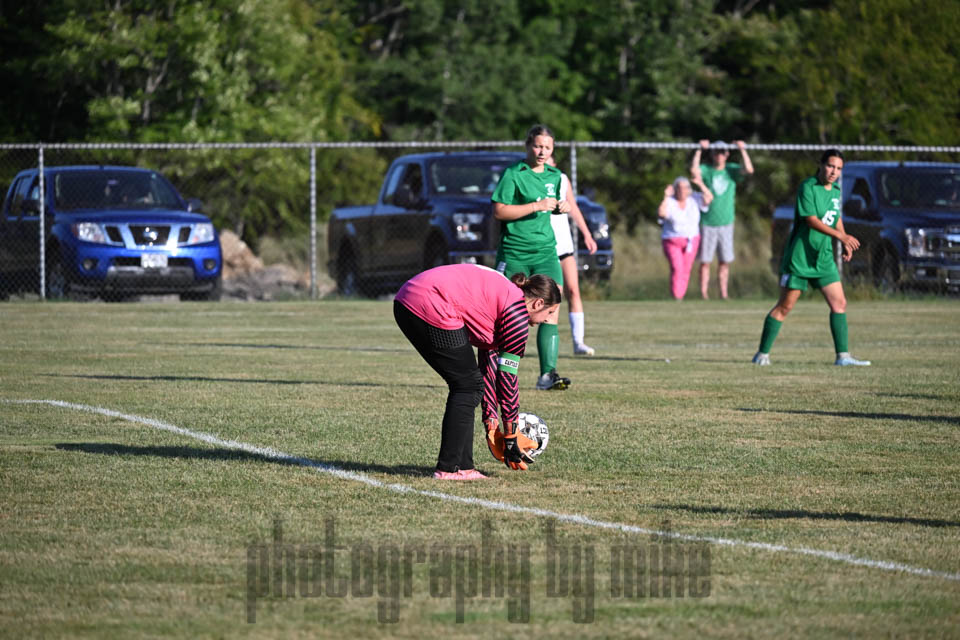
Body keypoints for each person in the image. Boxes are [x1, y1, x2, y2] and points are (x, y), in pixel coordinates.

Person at [394, 264, 562, 479]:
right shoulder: (517, 314)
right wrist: (510, 437)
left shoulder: (505, 297)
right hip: (430, 301)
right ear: (538, 303)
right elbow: (507, 380)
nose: (548, 319)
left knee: (468, 384)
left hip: (407, 298)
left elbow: (488, 369)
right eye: (549, 312)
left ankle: (463, 467)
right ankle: (449, 468)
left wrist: (491, 423)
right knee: (467, 386)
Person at [752, 148, 871, 367]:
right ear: (821, 165)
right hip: (800, 257)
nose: (833, 171)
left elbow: (835, 217)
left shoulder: (835, 191)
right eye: (830, 166)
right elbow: (811, 220)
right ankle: (762, 354)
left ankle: (843, 357)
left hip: (823, 257)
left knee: (839, 303)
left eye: (838, 168)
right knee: (785, 307)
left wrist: (844, 239)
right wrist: (841, 237)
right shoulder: (807, 187)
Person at [491, 124, 572, 391]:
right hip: (515, 251)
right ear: (528, 145)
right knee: (508, 313)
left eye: (547, 147)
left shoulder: (555, 176)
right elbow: (500, 212)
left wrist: (564, 207)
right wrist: (536, 205)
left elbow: (560, 207)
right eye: (538, 146)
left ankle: (547, 375)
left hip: (545, 252)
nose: (542, 151)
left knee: (551, 308)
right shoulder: (514, 174)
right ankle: (495, 370)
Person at [547, 155, 598, 356]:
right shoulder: (532, 180)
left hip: (564, 245)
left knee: (574, 290)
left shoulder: (561, 178)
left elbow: (573, 207)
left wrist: (587, 234)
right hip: (543, 247)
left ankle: (579, 342)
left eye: (550, 157)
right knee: (552, 296)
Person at [690, 139, 754, 299]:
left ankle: (723, 294)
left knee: (724, 261)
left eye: (723, 152)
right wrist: (699, 150)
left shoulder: (731, 170)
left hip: (726, 222)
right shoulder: (707, 170)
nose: (719, 155)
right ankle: (704, 294)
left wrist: (742, 150)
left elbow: (749, 169)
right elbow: (694, 172)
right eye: (716, 152)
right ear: (712, 154)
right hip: (708, 222)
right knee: (705, 261)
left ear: (727, 154)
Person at [658, 175, 713, 300]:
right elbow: (661, 213)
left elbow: (709, 198)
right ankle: (677, 296)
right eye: (679, 188)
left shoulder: (694, 199)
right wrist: (666, 196)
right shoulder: (670, 202)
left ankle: (680, 296)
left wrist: (700, 184)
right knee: (677, 267)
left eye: (685, 188)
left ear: (689, 190)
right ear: (675, 189)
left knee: (686, 269)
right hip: (672, 240)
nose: (682, 191)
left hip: (691, 240)